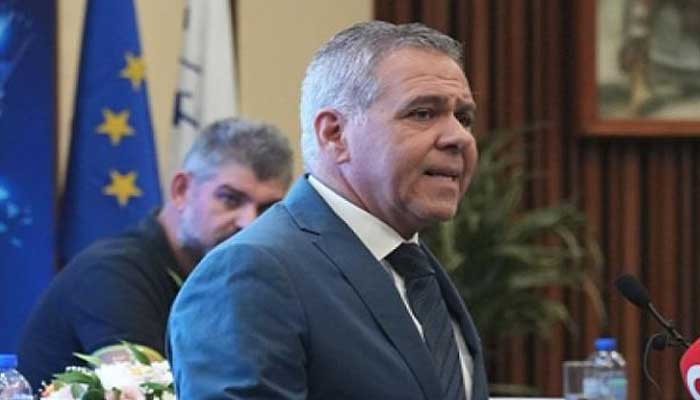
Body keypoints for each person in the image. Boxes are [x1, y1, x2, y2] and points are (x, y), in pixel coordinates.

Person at [168, 21, 489, 399]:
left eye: (463, 118)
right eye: (422, 113)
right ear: (334, 134)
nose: (458, 137)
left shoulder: (415, 269)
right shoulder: (250, 271)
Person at [17, 117, 294, 390]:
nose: (249, 222)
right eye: (231, 199)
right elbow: (145, 391)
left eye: (266, 209)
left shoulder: (237, 279)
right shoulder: (112, 273)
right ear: (181, 190)